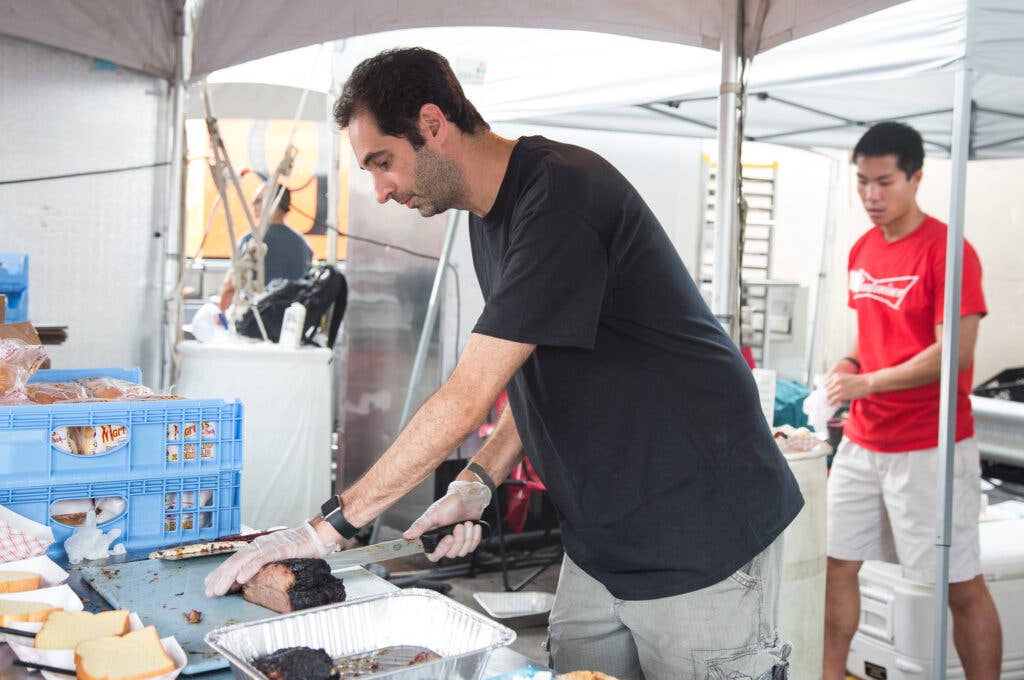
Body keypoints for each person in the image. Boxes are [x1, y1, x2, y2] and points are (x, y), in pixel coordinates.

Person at [205, 48, 803, 680]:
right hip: (601, 539)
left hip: (700, 527)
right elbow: (535, 370)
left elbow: (467, 396)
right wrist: (478, 481)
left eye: (383, 161)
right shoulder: (486, 220)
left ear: (432, 123)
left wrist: (326, 531)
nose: (379, 190)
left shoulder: (564, 194)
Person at [822, 122, 1002, 680]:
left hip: (930, 444)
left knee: (959, 584)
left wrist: (869, 383)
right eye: (861, 183)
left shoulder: (949, 252)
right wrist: (851, 366)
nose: (871, 196)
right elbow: (869, 333)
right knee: (836, 565)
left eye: (884, 182)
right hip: (862, 440)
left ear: (916, 177)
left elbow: (956, 352)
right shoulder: (862, 248)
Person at [218, 184, 312, 312]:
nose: (252, 204)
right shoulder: (304, 245)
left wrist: (221, 316)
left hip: (256, 321)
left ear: (276, 204)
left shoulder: (251, 241)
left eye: (258, 200)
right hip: (291, 322)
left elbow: (230, 286)